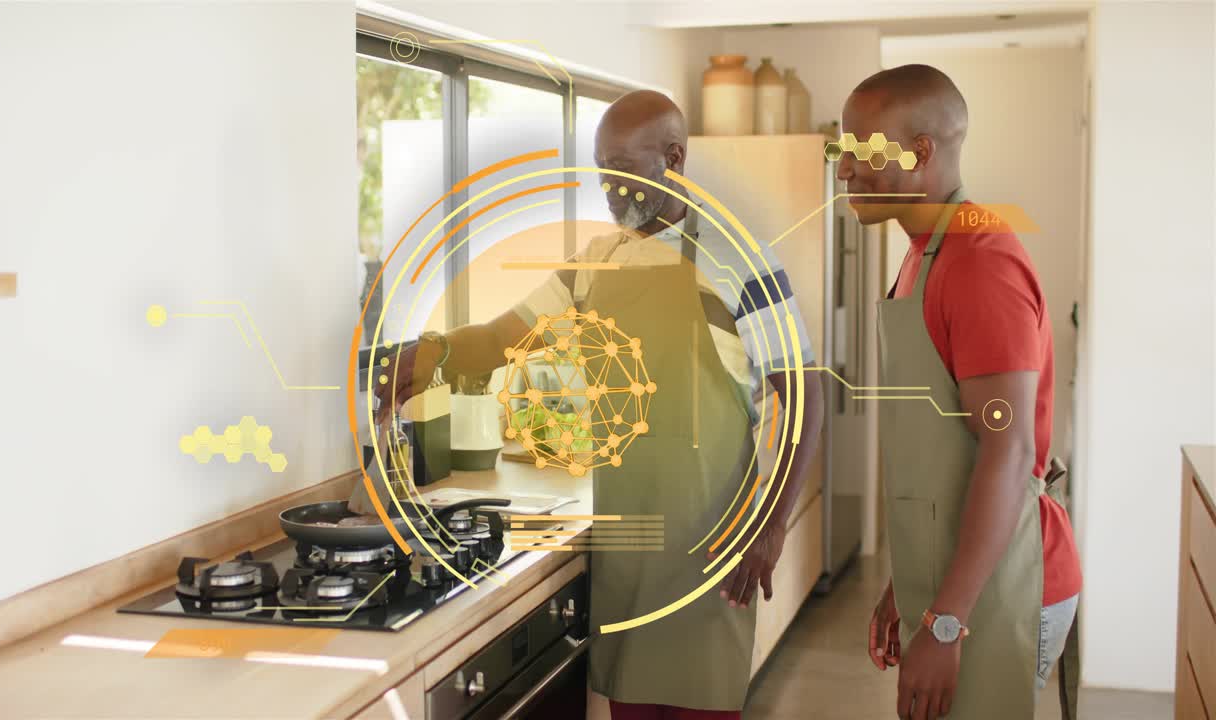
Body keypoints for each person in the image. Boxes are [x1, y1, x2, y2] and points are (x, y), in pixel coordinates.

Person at [380, 90, 823, 718]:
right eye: (600, 173)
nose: (610, 192)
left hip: (708, 549)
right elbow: (504, 337)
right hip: (627, 544)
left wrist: (771, 525)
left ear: (674, 157)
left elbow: (806, 394)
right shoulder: (597, 261)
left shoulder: (737, 257)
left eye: (623, 172)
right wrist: (418, 359)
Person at [839, 65, 1083, 719]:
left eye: (859, 150)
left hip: (1006, 586)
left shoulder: (979, 263)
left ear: (920, 152)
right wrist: (910, 578)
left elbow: (1004, 455)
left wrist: (946, 620)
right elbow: (942, 447)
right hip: (961, 577)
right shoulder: (925, 253)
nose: (843, 170)